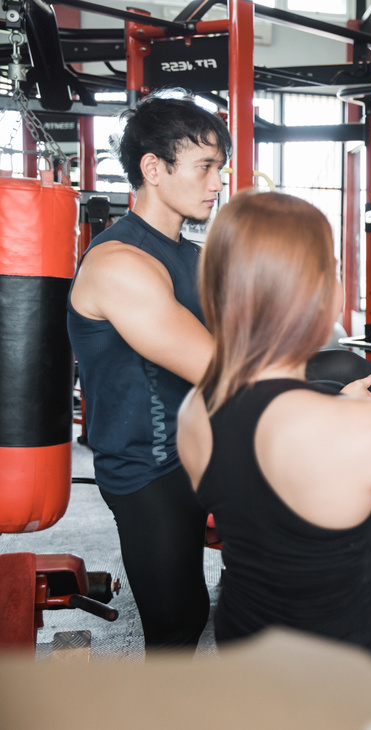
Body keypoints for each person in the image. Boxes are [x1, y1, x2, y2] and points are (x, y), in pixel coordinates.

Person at [176, 190, 371, 727]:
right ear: (318, 293)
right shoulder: (363, 426)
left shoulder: (193, 411)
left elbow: (268, 490)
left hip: (243, 652)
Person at [67, 93, 232, 649]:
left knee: (247, 605)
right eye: (205, 167)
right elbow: (219, 365)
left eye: (220, 169)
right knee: (177, 625)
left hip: (202, 454)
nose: (217, 183)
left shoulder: (191, 254)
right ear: (153, 169)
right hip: (149, 471)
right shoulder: (120, 262)